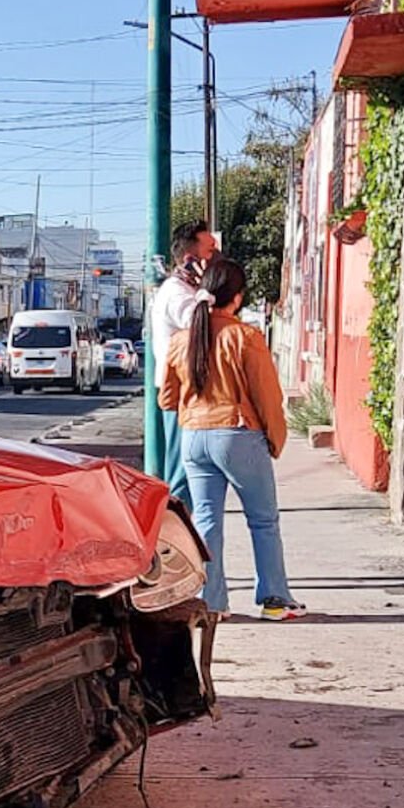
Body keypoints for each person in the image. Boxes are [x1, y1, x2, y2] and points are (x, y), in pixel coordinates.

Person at [158, 257, 305, 620]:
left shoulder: (182, 338)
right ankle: (274, 600)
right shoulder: (245, 337)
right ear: (236, 298)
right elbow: (267, 396)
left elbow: (166, 397)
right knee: (263, 520)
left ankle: (211, 603)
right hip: (237, 434)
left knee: (206, 518)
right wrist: (275, 437)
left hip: (194, 437)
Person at [148, 219, 217, 502]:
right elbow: (199, 322)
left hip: (189, 390)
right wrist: (207, 293)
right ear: (191, 259)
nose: (215, 256)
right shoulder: (178, 293)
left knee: (189, 468)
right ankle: (175, 536)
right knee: (182, 471)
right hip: (180, 392)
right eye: (210, 250)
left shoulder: (187, 289)